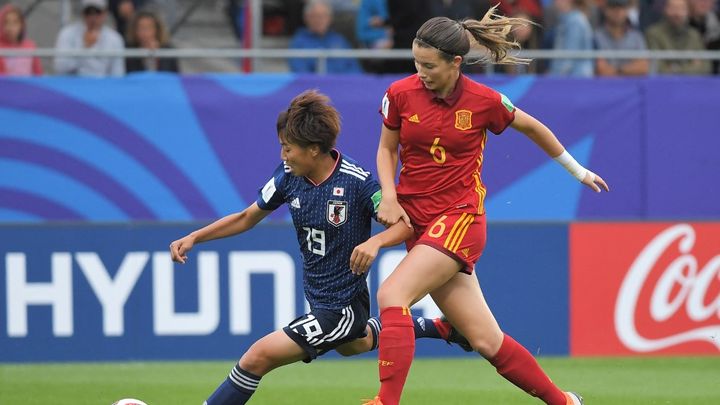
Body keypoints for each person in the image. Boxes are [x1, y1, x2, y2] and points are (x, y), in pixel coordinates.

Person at [364, 7, 609, 405]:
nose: (420, 72)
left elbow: (533, 127)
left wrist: (576, 170)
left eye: (429, 65)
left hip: (459, 218)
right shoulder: (399, 94)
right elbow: (386, 148)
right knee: (485, 339)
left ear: (456, 63)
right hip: (419, 224)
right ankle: (564, 402)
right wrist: (389, 196)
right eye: (416, 61)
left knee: (392, 295)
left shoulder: (484, 100)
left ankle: (385, 401)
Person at [169, 90, 470, 405]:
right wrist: (195, 237)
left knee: (258, 356)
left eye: (288, 148)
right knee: (353, 344)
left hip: (342, 309)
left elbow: (404, 224)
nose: (283, 155)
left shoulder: (358, 183)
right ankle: (438, 327)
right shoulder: (288, 176)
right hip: (321, 302)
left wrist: (375, 242)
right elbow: (247, 217)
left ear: (313, 149)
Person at [54, 0, 125, 77]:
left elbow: (117, 74)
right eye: (88, 12)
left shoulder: (115, 38)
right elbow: (60, 68)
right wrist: (84, 48)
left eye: (97, 12)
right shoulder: (67, 33)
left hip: (102, 86)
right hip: (73, 84)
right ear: (82, 13)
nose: (93, 17)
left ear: (105, 13)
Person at [288, 0, 362, 74]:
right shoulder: (299, 42)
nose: (319, 20)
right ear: (306, 18)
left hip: (342, 84)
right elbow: (300, 72)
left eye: (323, 16)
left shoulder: (339, 39)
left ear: (330, 18)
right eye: (315, 16)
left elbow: (355, 69)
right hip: (314, 84)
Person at [645, 0, 711, 74]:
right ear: (665, 9)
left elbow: (706, 66)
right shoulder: (653, 34)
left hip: (692, 84)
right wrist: (692, 67)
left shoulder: (694, 35)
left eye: (681, 8)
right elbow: (656, 66)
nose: (677, 13)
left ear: (687, 11)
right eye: (673, 8)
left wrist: (674, 69)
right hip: (663, 83)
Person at [594, 0, 649, 76]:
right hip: (604, 86)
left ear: (627, 10)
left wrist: (618, 70)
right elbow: (601, 69)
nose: (618, 11)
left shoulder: (636, 36)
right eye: (613, 7)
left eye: (622, 7)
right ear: (605, 10)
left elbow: (643, 67)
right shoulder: (596, 36)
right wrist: (629, 70)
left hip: (632, 86)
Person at [548, 0, 594, 77]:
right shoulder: (566, 19)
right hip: (570, 78)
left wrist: (553, 77)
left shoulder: (575, 21)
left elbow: (569, 56)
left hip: (575, 79)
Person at [0, 4, 43, 76]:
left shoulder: (30, 46)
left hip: (25, 86)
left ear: (22, 25)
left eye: (15, 22)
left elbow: (38, 74)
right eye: (6, 22)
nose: (10, 27)